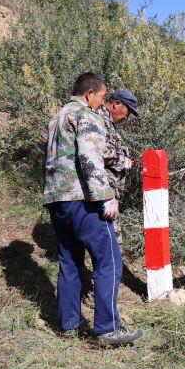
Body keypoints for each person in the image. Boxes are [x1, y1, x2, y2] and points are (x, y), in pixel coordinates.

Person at [43, 72, 142, 345]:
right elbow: (90, 156)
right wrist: (105, 196)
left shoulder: (57, 118)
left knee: (70, 262)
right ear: (89, 94)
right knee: (109, 258)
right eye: (101, 96)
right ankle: (108, 328)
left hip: (57, 200)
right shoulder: (86, 115)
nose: (102, 102)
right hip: (82, 200)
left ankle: (68, 325)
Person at [97, 89, 140, 245]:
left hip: (109, 195)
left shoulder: (109, 123)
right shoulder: (98, 119)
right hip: (102, 193)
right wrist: (125, 162)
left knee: (110, 244)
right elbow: (100, 152)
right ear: (116, 104)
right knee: (111, 245)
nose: (127, 118)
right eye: (127, 112)